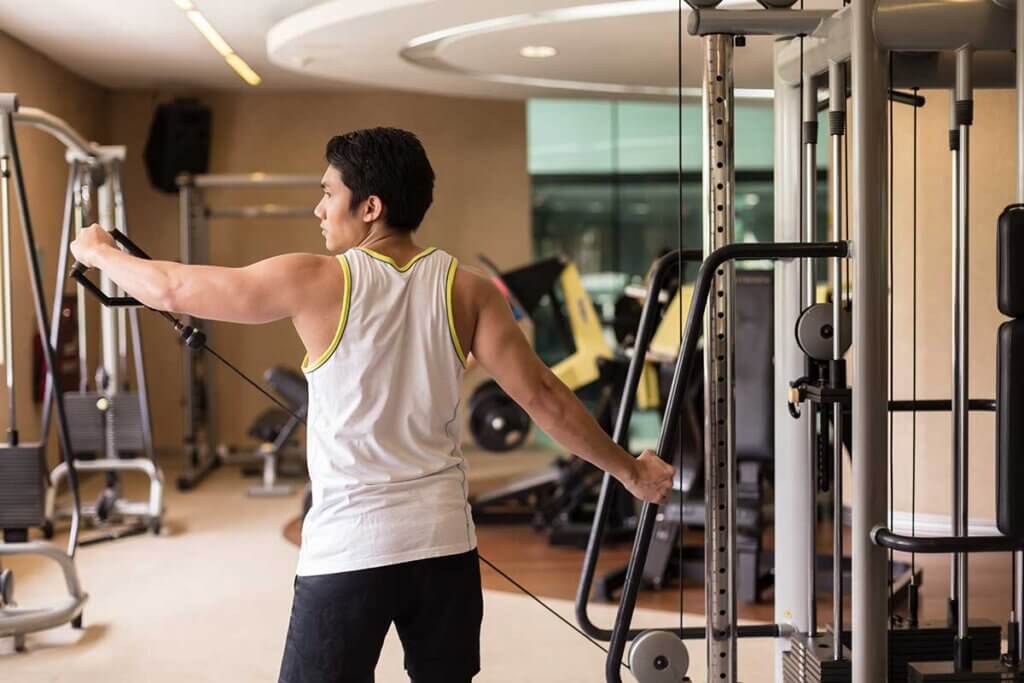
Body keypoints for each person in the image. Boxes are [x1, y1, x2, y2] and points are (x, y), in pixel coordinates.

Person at [70, 127, 675, 683]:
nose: (318, 209)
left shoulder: (317, 279)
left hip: (350, 551)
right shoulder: (466, 289)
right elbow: (544, 397)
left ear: (370, 206)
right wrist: (630, 471)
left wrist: (101, 252)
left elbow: (172, 288)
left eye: (327, 194)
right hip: (444, 547)